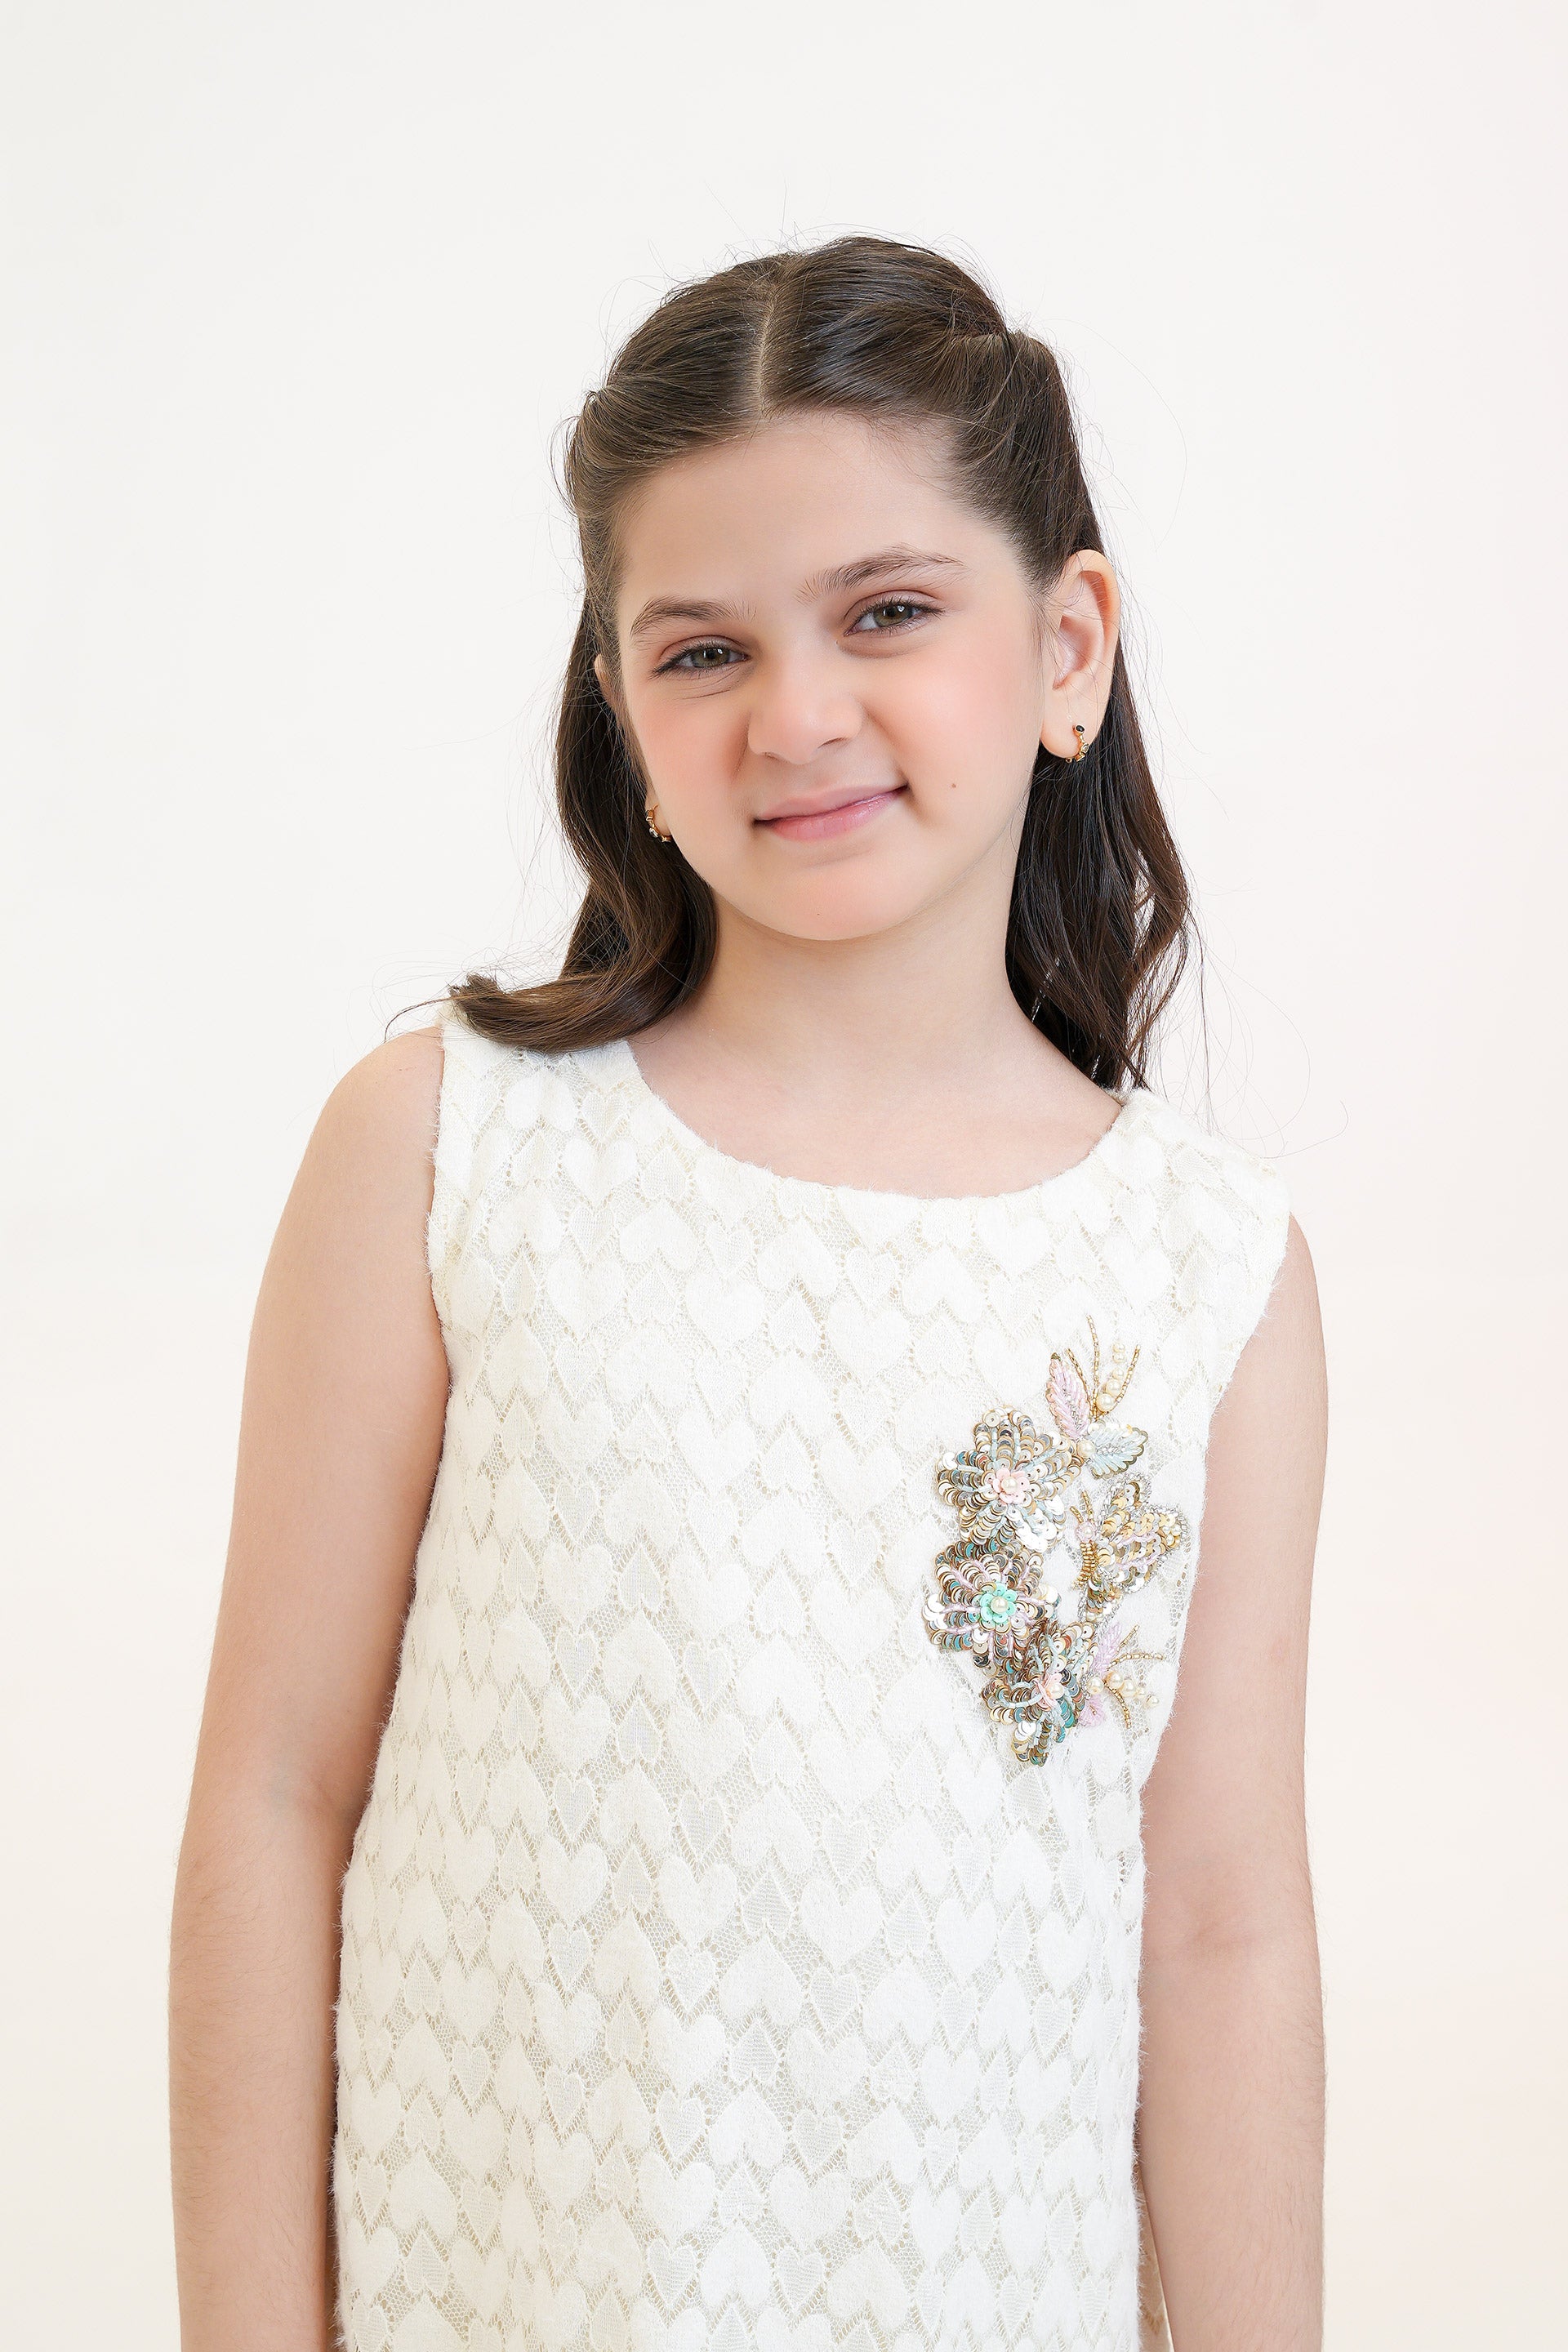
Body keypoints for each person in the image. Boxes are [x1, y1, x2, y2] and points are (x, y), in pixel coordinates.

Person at [169, 235, 1327, 2352]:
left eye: (887, 611)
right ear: (621, 708)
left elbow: (1222, 1929)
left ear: (1067, 649)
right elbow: (273, 1801)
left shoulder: (1202, 1273)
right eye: (702, 649)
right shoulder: (446, 1156)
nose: (798, 716)